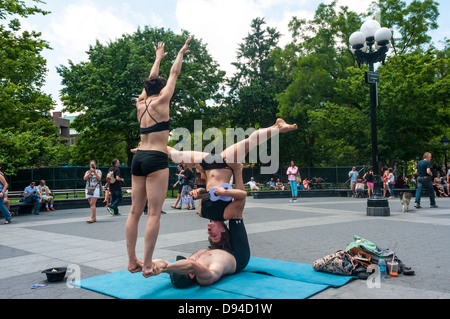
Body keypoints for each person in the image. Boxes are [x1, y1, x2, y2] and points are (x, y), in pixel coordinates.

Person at [126, 38, 191, 278]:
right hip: (155, 158)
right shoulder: (163, 100)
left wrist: (157, 58)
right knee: (153, 213)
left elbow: (149, 83)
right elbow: (174, 73)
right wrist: (180, 53)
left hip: (138, 158)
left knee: (134, 211)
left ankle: (132, 260)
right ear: (161, 90)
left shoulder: (140, 103)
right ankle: (147, 264)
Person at [168, 118, 297, 221]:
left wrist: (198, 191)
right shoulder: (227, 214)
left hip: (207, 164)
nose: (209, 230)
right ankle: (276, 128)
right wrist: (233, 178)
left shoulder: (202, 213)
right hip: (225, 163)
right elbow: (241, 196)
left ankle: (151, 143)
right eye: (212, 234)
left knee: (175, 155)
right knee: (248, 144)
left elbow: (206, 191)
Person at [150, 162, 249, 287]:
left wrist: (148, 264)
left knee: (206, 212)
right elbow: (191, 266)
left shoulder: (205, 214)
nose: (208, 229)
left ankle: (210, 176)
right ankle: (238, 170)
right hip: (239, 258)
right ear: (190, 274)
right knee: (236, 214)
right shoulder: (206, 277)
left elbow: (171, 263)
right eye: (184, 264)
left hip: (220, 242)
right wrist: (166, 267)